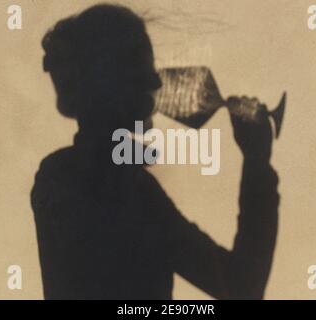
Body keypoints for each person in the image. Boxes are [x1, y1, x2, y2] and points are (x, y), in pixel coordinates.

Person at [31, 4, 280, 300]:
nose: (157, 82)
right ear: (110, 85)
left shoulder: (63, 176)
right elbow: (242, 288)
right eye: (142, 70)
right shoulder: (131, 192)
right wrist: (256, 162)